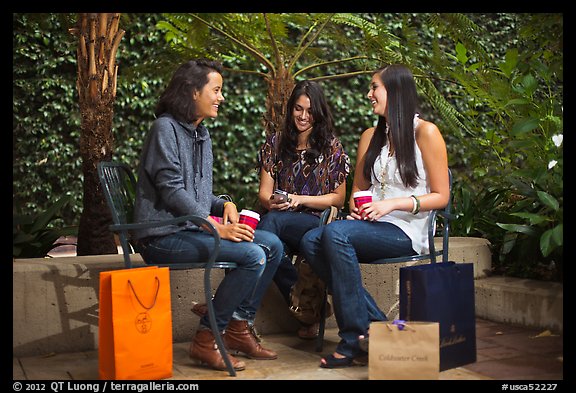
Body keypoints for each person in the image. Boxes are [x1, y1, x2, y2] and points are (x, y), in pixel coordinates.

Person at [132, 59, 284, 373]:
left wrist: (224, 205)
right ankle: (205, 338)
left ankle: (235, 326)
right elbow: (171, 191)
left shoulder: (201, 134)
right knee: (253, 255)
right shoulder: (165, 129)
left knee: (272, 245)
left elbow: (197, 195)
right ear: (191, 92)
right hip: (161, 235)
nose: (221, 97)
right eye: (215, 90)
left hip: (188, 229)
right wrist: (216, 229)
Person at [300, 64, 450, 368]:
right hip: (373, 226)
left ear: (395, 91)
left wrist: (391, 204)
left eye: (374, 87)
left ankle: (354, 338)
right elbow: (359, 188)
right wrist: (359, 208)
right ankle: (379, 329)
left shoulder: (426, 132)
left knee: (334, 234)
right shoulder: (371, 135)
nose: (368, 94)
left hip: (407, 231)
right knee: (311, 239)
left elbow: (441, 196)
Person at [255, 80, 350, 339]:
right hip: (279, 218)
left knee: (269, 228)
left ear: (319, 112)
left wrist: (299, 199)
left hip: (315, 222)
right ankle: (312, 309)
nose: (303, 116)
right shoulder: (274, 143)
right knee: (273, 243)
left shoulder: (332, 147)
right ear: (290, 109)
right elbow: (264, 194)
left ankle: (232, 306)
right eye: (298, 109)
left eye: (310, 110)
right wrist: (272, 201)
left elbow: (338, 199)